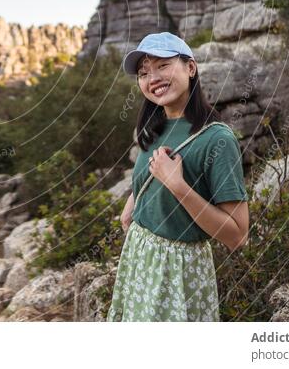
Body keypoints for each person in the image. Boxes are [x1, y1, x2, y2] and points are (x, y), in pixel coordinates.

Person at [106, 32, 250, 322]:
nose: (152, 78)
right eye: (144, 73)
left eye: (162, 66)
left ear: (191, 68)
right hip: (139, 256)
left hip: (178, 271)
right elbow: (154, 171)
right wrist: (134, 201)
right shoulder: (155, 127)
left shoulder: (217, 140)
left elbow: (238, 235)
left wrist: (177, 186)